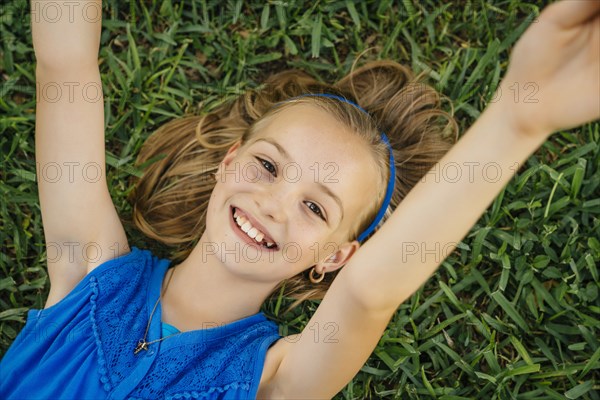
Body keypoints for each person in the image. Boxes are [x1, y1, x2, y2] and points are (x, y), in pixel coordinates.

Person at [1, 0, 598, 399]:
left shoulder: (272, 379)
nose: (276, 202)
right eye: (268, 166)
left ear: (337, 257)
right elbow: (65, 69)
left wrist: (520, 122)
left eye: (317, 207)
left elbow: (372, 293)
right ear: (229, 162)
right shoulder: (88, 270)